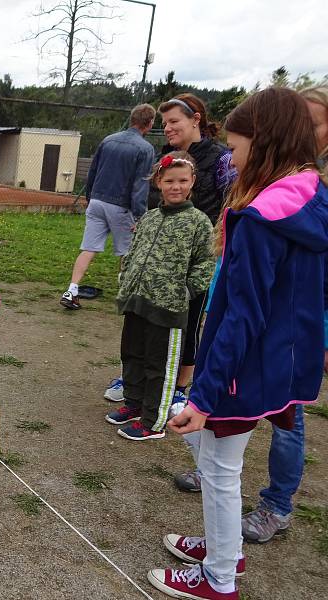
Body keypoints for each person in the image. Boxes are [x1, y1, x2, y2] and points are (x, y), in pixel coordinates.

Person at [147, 87, 328, 600]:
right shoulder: (312, 196)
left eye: (237, 145)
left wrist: (203, 396)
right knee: (210, 454)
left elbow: (245, 313)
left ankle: (219, 577)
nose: (231, 156)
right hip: (280, 362)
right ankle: (224, 546)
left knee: (218, 469)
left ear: (263, 141)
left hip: (242, 366)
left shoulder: (259, 218)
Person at [105, 94, 234, 408]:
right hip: (156, 261)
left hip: (193, 258)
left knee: (187, 325)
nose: (168, 128)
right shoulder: (167, 156)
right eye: (165, 123)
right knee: (147, 327)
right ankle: (143, 383)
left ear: (196, 119)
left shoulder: (220, 159)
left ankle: (178, 386)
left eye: (174, 121)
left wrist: (213, 244)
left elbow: (232, 203)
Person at [104, 151, 214, 441]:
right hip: (137, 302)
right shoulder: (149, 218)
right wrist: (125, 278)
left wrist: (186, 289)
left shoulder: (198, 222)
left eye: (182, 180)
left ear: (192, 182)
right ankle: (134, 403)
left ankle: (154, 421)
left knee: (160, 365)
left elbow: (206, 262)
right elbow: (133, 252)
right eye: (169, 181)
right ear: (158, 182)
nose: (175, 186)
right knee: (132, 354)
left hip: (169, 308)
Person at [60, 103, 156, 310]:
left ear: (132, 119)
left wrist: (89, 198)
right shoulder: (145, 149)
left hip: (96, 202)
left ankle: (72, 290)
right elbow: (141, 184)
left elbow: (92, 171)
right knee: (126, 251)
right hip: (120, 206)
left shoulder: (108, 140)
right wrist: (140, 216)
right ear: (149, 123)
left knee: (88, 248)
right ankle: (125, 293)